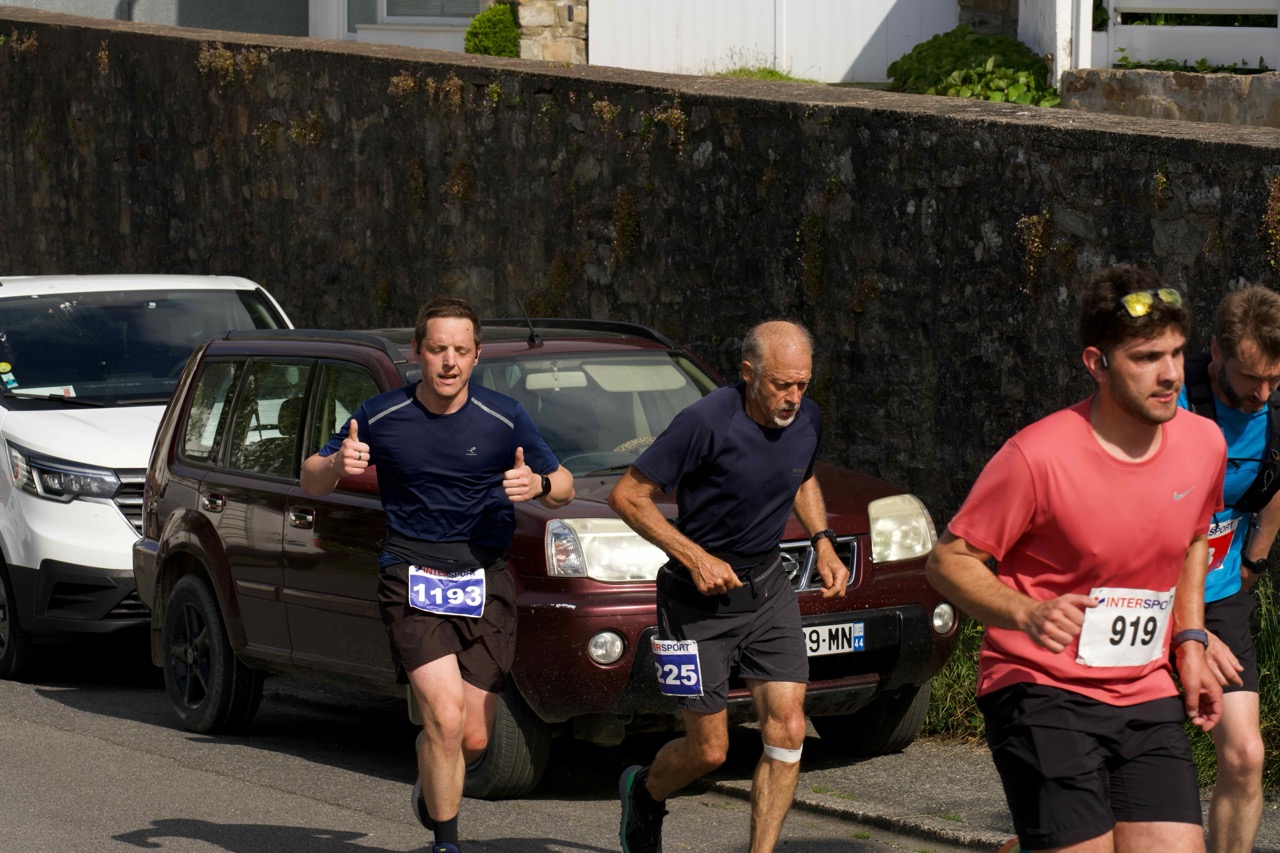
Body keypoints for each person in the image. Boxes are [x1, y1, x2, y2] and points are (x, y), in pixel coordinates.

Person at [926, 264, 1227, 853]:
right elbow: (948, 561)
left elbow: (1195, 537)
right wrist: (1026, 612)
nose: (1170, 374)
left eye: (1176, 352)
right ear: (1097, 363)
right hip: (1040, 685)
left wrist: (1189, 639)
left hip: (1143, 686)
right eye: (1146, 357)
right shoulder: (1036, 457)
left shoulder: (1204, 443)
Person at [299, 296, 574, 853]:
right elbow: (310, 478)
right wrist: (335, 465)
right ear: (418, 352)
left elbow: (564, 485)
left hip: (485, 579)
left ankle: (432, 782)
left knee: (472, 738)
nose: (449, 361)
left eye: (461, 350)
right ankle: (446, 843)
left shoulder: (504, 417)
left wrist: (540, 487)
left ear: (477, 355)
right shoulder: (381, 414)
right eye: (438, 349)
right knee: (445, 719)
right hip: (410, 575)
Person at [608, 320, 850, 853]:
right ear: (748, 373)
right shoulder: (704, 422)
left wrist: (823, 540)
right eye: (781, 384)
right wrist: (695, 556)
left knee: (788, 731)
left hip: (767, 590)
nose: (793, 398)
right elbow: (627, 495)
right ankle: (645, 792)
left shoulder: (806, 418)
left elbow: (803, 476)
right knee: (710, 751)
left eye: (802, 384)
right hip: (695, 604)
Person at [1178, 284, 1280, 853]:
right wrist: (1186, 630)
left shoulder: (1275, 404)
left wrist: (1255, 557)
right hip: (1142, 595)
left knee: (1245, 756)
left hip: (1219, 593)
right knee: (1126, 759)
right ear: (1216, 351)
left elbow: (1276, 478)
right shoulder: (1170, 402)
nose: (1261, 393)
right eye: (1250, 378)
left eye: (1274, 379)